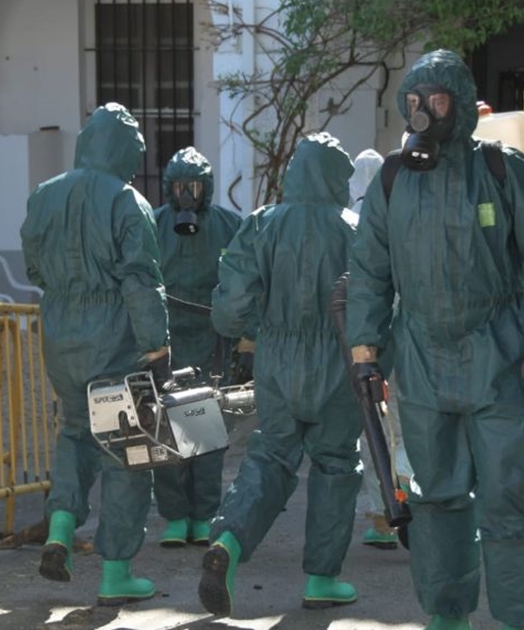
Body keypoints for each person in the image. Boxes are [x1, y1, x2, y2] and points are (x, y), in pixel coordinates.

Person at [345, 50, 524, 630]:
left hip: (499, 355)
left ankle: (519, 615)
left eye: (437, 102)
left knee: (508, 493)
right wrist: (365, 350)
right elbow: (370, 270)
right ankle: (447, 614)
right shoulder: (392, 182)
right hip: (420, 359)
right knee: (434, 495)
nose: (425, 115)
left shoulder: (505, 172)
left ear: (461, 106)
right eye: (415, 103)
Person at [199, 132, 362, 617]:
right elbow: (379, 304)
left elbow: (229, 310)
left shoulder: (262, 223)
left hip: (278, 360)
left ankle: (227, 542)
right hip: (340, 364)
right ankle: (320, 580)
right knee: (335, 465)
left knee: (270, 456)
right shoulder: (356, 228)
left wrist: (259, 330)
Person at [20, 102, 173, 606]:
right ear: (127, 150)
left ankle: (60, 529)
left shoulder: (44, 195)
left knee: (74, 433)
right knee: (128, 449)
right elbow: (141, 280)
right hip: (114, 338)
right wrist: (156, 345)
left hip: (60, 335)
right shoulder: (128, 201)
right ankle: (116, 572)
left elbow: (33, 269)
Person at [151, 146, 244, 548]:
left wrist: (242, 335)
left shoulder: (228, 225)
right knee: (164, 430)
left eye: (193, 186)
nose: (186, 194)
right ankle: (174, 515)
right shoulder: (152, 225)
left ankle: (203, 514)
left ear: (205, 187)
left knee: (205, 428)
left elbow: (244, 280)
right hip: (164, 339)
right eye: (179, 186)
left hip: (211, 339)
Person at [347, 148, 411, 550]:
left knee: (373, 434)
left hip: (368, 347)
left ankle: (382, 516)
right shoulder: (406, 216)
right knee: (408, 432)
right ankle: (413, 507)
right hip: (410, 343)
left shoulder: (354, 224)